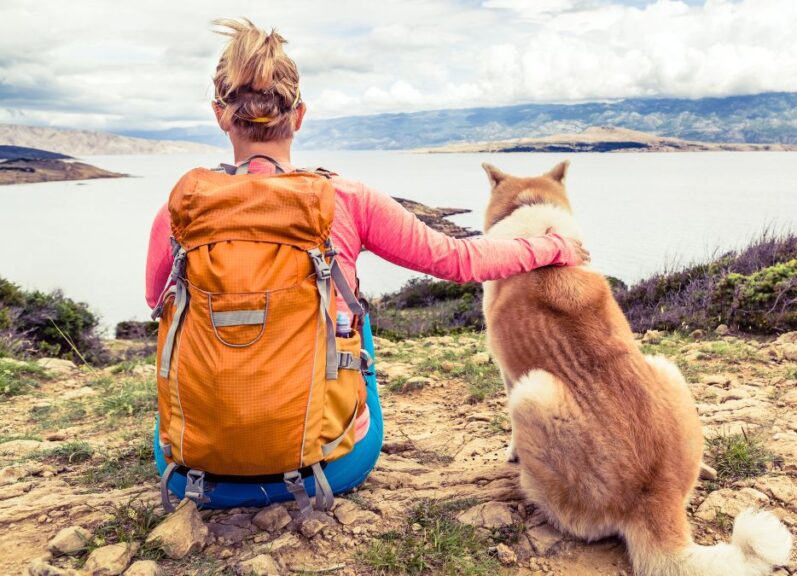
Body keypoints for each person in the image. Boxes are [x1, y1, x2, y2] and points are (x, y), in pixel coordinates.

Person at [145, 18, 589, 508]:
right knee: (350, 310)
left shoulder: (181, 207)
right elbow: (459, 260)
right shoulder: (346, 199)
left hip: (190, 470)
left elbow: (155, 301)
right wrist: (552, 247)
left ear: (219, 115)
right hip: (327, 468)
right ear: (300, 114)